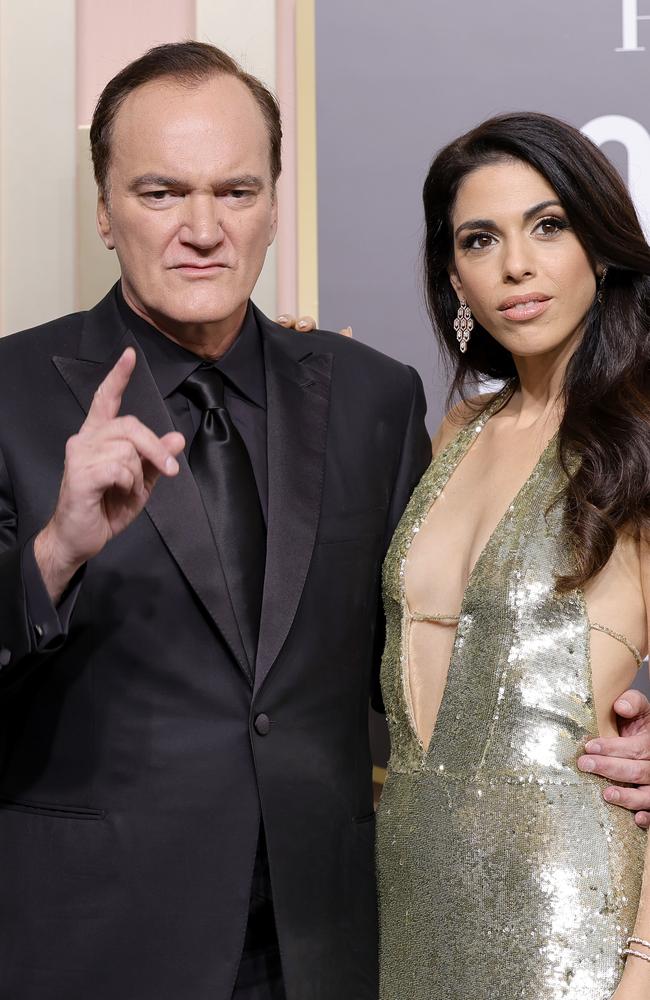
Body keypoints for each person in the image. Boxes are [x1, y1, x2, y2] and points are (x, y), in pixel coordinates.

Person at [0, 41, 433, 1000]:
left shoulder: (373, 397)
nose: (204, 228)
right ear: (104, 212)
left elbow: (419, 663)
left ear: (276, 206)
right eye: (161, 193)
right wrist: (54, 553)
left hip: (324, 946)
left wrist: (594, 725)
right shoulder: (7, 393)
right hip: (91, 943)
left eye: (236, 192)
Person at [375, 112, 650, 1000]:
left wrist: (643, 970)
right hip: (413, 898)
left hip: (576, 926)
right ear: (453, 273)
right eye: (480, 240)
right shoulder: (458, 431)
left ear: (600, 250)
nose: (515, 267)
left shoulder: (641, 440)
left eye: (548, 226)